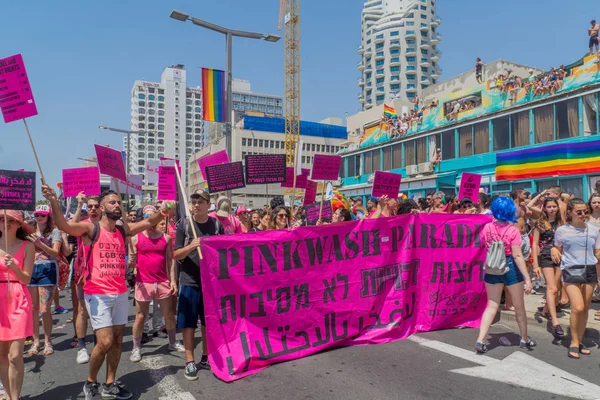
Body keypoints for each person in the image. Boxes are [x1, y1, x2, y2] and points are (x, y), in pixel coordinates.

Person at [42, 185, 175, 400]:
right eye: (112, 202)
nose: (117, 205)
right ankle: (91, 382)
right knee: (104, 341)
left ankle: (110, 383)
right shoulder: (90, 229)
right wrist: (54, 202)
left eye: (119, 203)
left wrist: (165, 208)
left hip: (121, 292)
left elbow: (150, 222)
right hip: (98, 293)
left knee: (118, 340)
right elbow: (63, 225)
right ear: (102, 208)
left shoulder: (123, 229)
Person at [174, 189, 224, 380]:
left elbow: (225, 251)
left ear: (208, 204)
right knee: (188, 323)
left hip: (210, 282)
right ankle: (189, 361)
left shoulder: (217, 225)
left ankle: (205, 356)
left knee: (208, 321)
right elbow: (176, 255)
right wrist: (191, 246)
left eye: (200, 201)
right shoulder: (184, 226)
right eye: (193, 201)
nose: (196, 205)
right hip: (190, 281)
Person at [475, 197, 535, 353]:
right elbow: (517, 256)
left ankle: (480, 340)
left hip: (492, 267)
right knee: (519, 306)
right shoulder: (513, 230)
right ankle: (524, 339)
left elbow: (483, 244)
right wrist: (527, 278)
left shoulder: (487, 227)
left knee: (492, 305)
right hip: (510, 266)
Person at [129, 206, 183, 363]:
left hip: (162, 282)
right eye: (148, 217)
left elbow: (170, 261)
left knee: (169, 314)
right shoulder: (135, 238)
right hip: (143, 282)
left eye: (154, 217)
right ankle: (136, 347)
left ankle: (172, 342)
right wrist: (131, 264)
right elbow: (132, 265)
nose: (151, 221)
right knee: (140, 317)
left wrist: (172, 280)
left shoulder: (166, 238)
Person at [554, 198, 600, 359]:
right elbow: (557, 247)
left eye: (585, 211)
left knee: (585, 308)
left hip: (590, 270)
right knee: (578, 307)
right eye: (579, 212)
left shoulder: (594, 230)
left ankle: (579, 341)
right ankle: (573, 342)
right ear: (570, 212)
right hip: (571, 270)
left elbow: (597, 253)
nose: (583, 214)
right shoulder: (562, 230)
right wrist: (554, 250)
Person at [0, 211, 35, 400]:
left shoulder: (27, 246)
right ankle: (10, 393)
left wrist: (14, 266)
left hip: (18, 297)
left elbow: (26, 279)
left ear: (19, 224)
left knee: (15, 355)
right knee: (1, 356)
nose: (6, 223)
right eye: (2, 219)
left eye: (11, 220)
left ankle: (15, 397)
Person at [27, 204, 63, 357]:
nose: (39, 218)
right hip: (30, 270)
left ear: (48, 217)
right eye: (37, 215)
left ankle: (48, 341)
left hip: (47, 270)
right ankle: (36, 342)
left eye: (42, 215)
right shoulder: (28, 231)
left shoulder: (54, 231)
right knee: (33, 309)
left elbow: (55, 252)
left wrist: (39, 244)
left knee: (45, 309)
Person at [72, 194, 101, 365]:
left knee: (101, 309)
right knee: (82, 310)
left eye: (96, 206)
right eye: (89, 206)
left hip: (103, 273)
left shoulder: (107, 226)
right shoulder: (83, 225)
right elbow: (70, 226)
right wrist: (79, 204)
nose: (93, 209)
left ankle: (100, 342)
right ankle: (82, 346)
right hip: (84, 273)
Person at [532, 198, 565, 337]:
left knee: (556, 288)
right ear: (544, 208)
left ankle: (545, 311)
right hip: (546, 256)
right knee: (552, 288)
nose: (552, 209)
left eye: (554, 206)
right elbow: (534, 244)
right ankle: (555, 322)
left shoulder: (562, 222)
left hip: (561, 257)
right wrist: (535, 264)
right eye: (549, 206)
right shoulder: (540, 223)